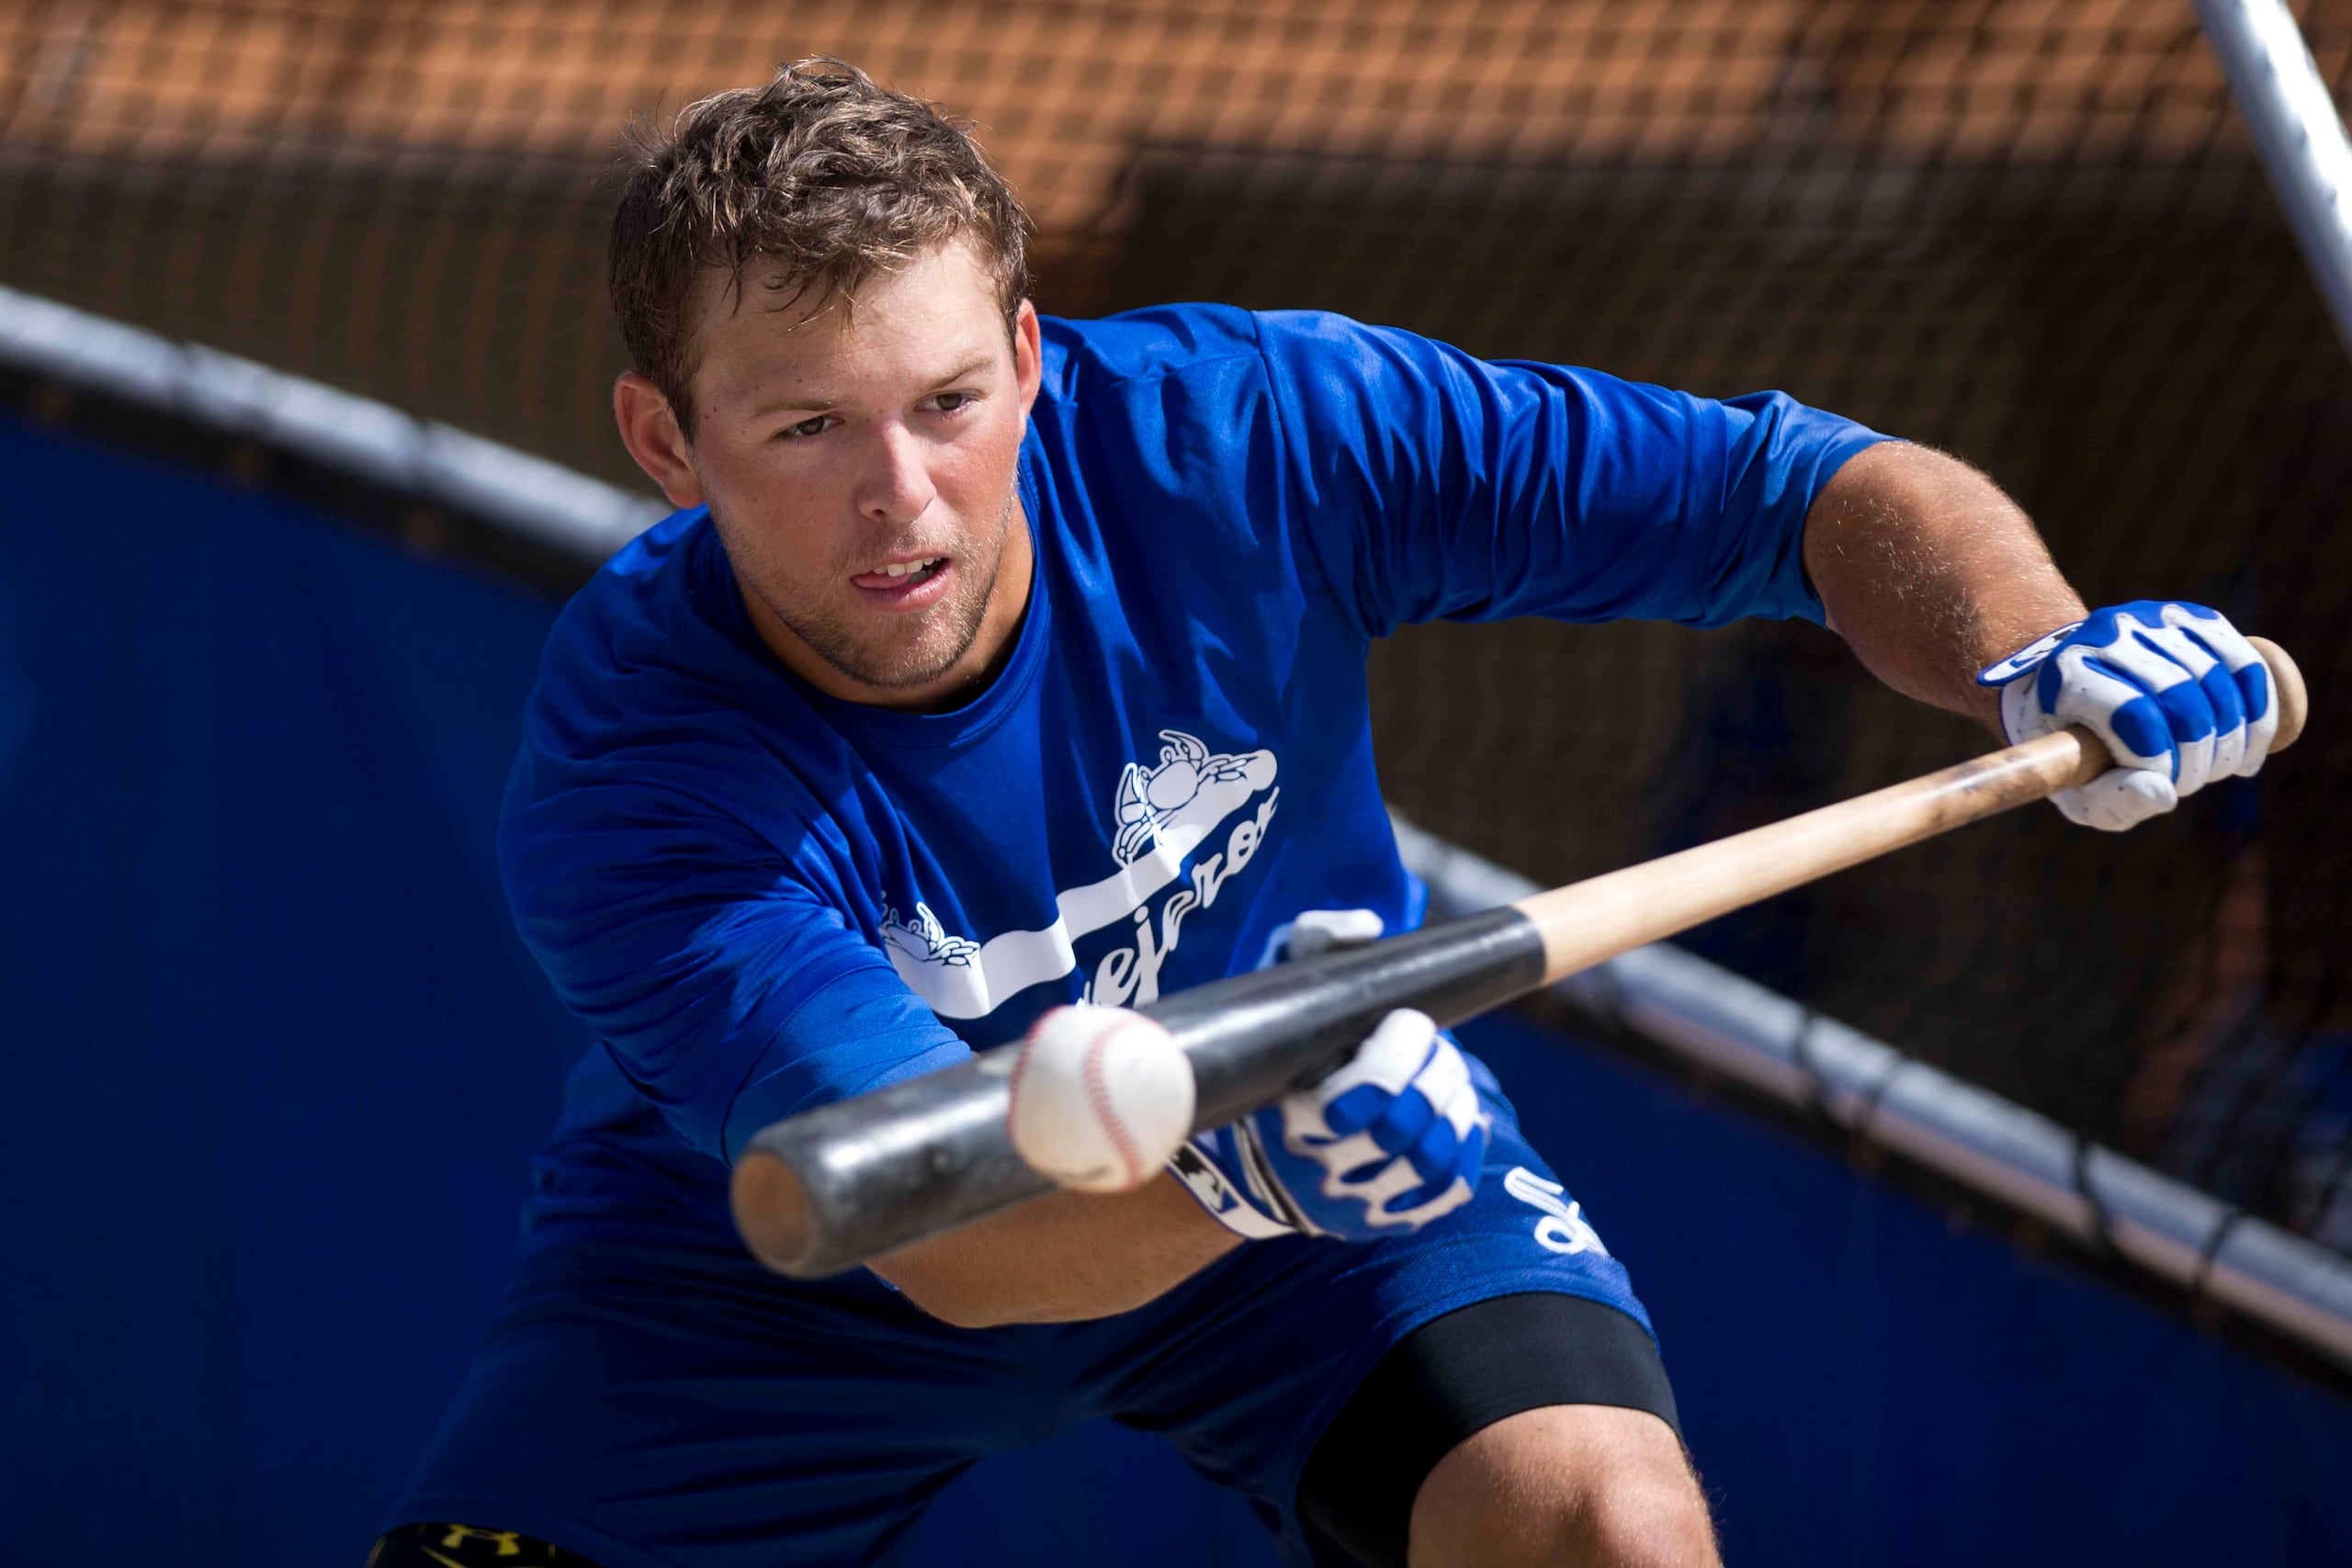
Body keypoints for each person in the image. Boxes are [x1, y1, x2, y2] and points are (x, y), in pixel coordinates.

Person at [373, 58, 2280, 1568]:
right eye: (803, 428)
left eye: (949, 399)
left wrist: (2034, 655)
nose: (907, 500)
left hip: (1332, 1167)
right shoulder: (638, 772)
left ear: (1033, 357)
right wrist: (1245, 1161)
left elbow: (1808, 492)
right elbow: (944, 1222)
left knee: (1607, 1527)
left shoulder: (1254, 437)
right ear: (662, 440)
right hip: (789, 1279)